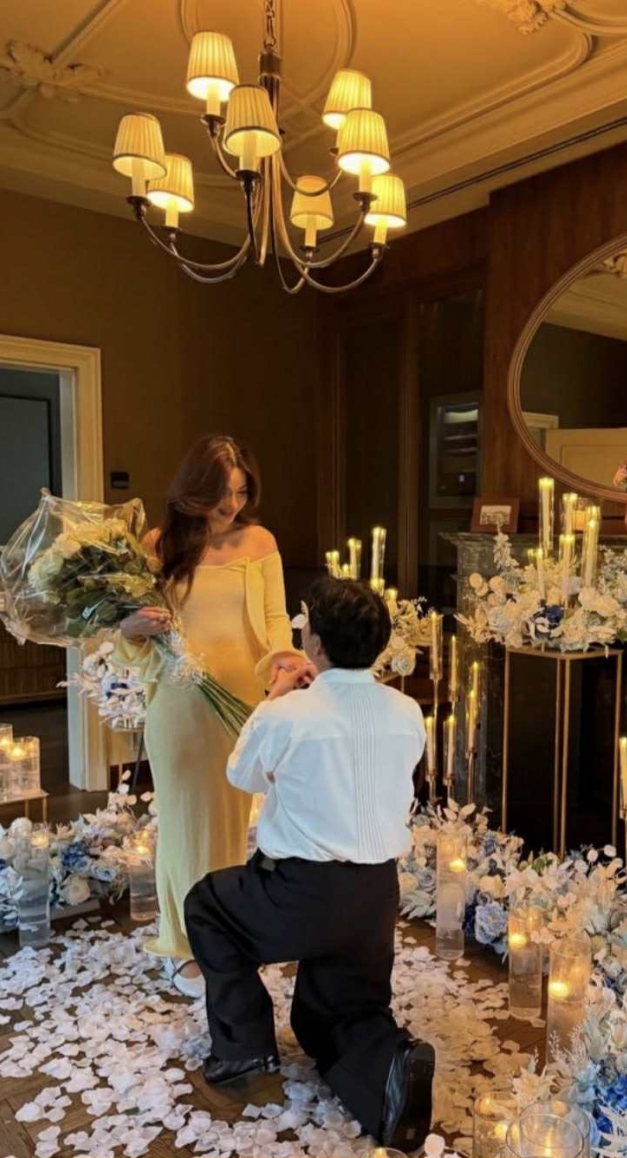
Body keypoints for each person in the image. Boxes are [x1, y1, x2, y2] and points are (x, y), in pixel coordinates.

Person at [184, 577, 435, 1152]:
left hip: (299, 895)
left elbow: (242, 775)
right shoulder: (405, 710)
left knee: (206, 904)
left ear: (315, 643)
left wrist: (275, 697)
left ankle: (242, 1044)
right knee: (334, 1015)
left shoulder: (288, 713)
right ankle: (390, 1074)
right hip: (376, 897)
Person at [115, 434, 302, 998]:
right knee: (183, 824)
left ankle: (222, 933)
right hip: (178, 704)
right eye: (223, 494)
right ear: (194, 490)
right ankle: (182, 943)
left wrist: (286, 664)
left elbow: (276, 620)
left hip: (241, 703)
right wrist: (130, 628)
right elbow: (132, 639)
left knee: (228, 824)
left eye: (242, 493)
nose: (232, 505)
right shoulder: (158, 545)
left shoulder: (260, 541)